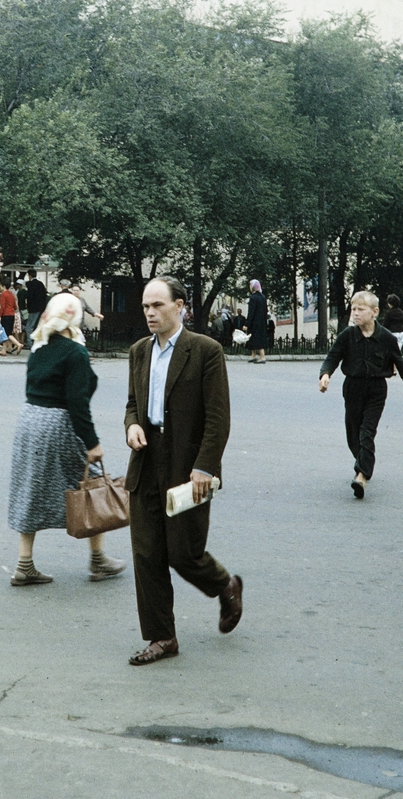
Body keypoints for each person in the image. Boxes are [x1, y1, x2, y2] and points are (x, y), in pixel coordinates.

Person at [122, 277, 242, 666]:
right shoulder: (139, 352)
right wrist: (132, 426)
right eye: (145, 307)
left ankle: (225, 585)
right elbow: (131, 403)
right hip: (145, 459)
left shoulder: (205, 351)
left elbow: (218, 417)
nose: (150, 313)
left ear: (180, 306)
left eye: (157, 305)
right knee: (147, 553)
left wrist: (204, 466)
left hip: (185, 463)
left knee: (183, 552)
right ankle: (162, 638)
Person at [6, 292, 126, 587]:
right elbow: (78, 402)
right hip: (58, 423)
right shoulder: (75, 352)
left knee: (30, 485)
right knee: (92, 480)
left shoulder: (40, 346)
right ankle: (98, 560)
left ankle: (24, 564)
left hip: (29, 420)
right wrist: (92, 442)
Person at [318, 291, 403, 499]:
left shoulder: (386, 338)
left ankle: (361, 476)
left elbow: (399, 362)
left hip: (376, 390)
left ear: (374, 312)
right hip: (352, 388)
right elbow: (333, 356)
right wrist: (325, 375)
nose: (355, 313)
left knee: (367, 431)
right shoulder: (348, 335)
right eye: (353, 309)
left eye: (360, 310)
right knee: (353, 434)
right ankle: (363, 461)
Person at [0, 279, 24, 356]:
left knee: (6, 333)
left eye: (1, 286)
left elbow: (2, 307)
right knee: (6, 332)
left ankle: (18, 344)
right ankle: (4, 350)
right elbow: (15, 306)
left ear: (4, 286)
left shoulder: (3, 295)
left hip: (5, 315)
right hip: (12, 315)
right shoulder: (11, 295)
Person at [245, 280, 268, 364]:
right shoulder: (263, 297)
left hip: (254, 322)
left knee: (256, 338)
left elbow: (251, 312)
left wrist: (247, 323)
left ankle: (262, 357)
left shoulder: (253, 297)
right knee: (255, 338)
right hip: (262, 322)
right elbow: (265, 310)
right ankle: (253, 355)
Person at [25, 270, 48, 338]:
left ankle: (29, 342)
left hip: (33, 308)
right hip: (41, 307)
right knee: (38, 325)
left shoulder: (30, 284)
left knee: (29, 327)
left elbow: (30, 296)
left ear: (30, 276)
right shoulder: (40, 284)